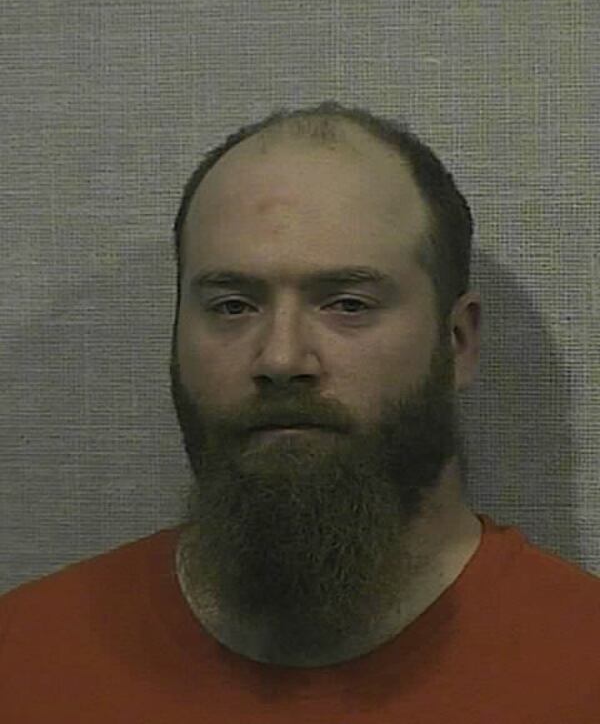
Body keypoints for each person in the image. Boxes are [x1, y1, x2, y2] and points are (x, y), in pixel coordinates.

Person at [1, 101, 598, 722]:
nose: (281, 358)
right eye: (233, 306)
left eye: (347, 304)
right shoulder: (24, 663)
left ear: (458, 342)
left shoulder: (583, 670)